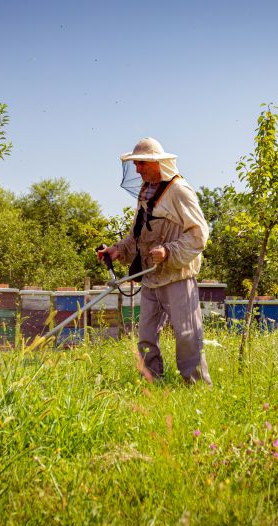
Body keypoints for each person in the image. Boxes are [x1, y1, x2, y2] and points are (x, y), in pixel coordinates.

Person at [98, 137, 212, 385]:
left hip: (177, 276)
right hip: (151, 278)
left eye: (141, 163)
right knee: (146, 336)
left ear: (156, 163)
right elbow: (138, 234)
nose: (137, 169)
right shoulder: (145, 192)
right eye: (135, 164)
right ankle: (152, 383)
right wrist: (118, 250)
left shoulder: (179, 191)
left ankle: (196, 387)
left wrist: (169, 252)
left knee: (187, 335)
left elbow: (199, 234)